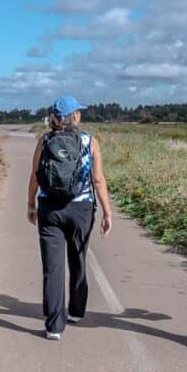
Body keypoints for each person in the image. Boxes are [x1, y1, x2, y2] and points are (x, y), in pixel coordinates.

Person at [27, 95, 113, 340]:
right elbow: (98, 180)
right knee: (78, 259)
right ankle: (76, 310)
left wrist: (30, 205)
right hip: (81, 209)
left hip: (50, 209)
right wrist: (107, 212)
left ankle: (54, 326)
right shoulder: (89, 141)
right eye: (78, 112)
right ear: (74, 116)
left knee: (53, 268)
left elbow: (35, 176)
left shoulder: (45, 141)